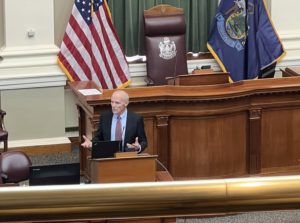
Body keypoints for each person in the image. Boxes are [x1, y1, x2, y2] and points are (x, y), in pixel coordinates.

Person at [81, 90, 148, 153]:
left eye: (117, 103)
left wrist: (138, 147)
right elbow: (99, 137)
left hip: (127, 157)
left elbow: (143, 141)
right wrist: (91, 143)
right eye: (112, 102)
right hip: (107, 156)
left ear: (126, 103)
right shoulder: (105, 117)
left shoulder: (136, 119)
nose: (113, 105)